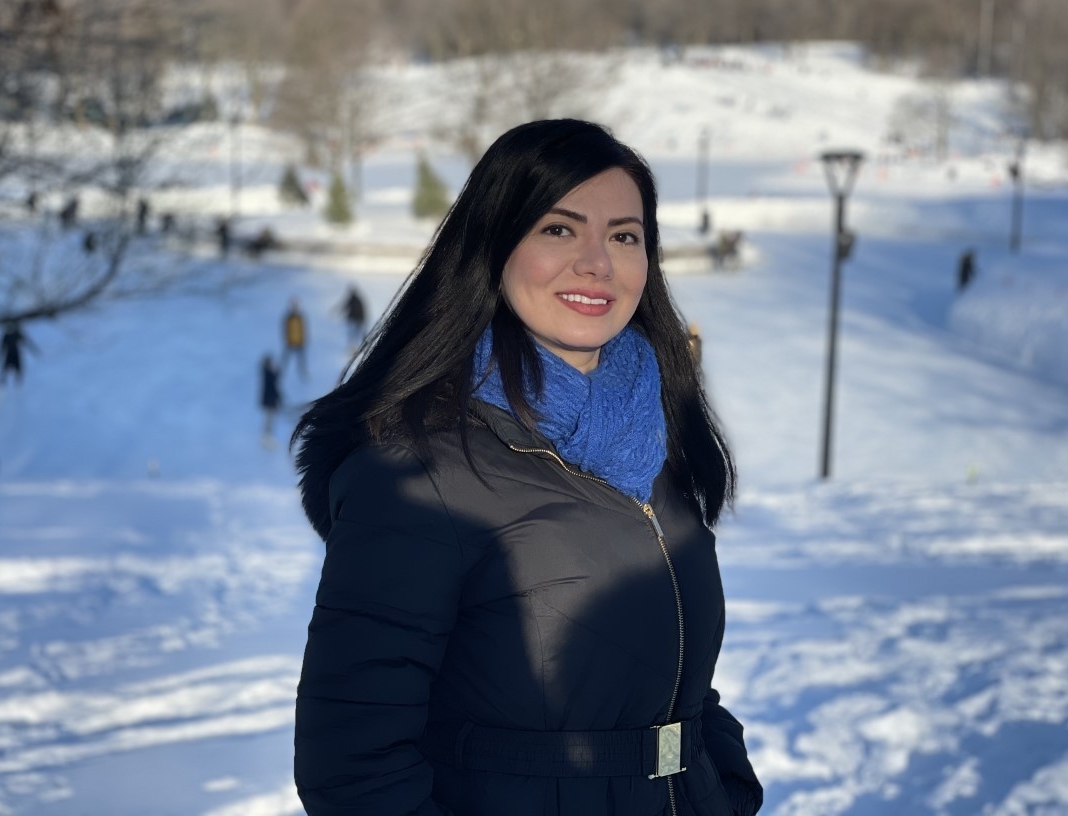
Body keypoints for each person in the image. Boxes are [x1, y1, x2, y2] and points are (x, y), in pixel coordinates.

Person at [292, 119, 762, 816]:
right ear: (494, 245)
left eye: (624, 236)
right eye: (559, 229)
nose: (597, 263)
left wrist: (721, 781)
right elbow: (354, 766)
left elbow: (667, 676)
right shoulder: (417, 473)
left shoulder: (650, 444)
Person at [0, 320, 38, 386]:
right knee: (5, 369)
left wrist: (34, 350)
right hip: (9, 353)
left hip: (16, 353)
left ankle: (18, 382)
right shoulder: (6, 335)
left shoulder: (17, 333)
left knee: (18, 369)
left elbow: (27, 341)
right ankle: (2, 382)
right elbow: (1, 346)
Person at [281, 298, 308, 381]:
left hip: (299, 342)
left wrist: (303, 340)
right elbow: (286, 330)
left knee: (301, 360)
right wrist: (288, 340)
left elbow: (302, 329)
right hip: (290, 342)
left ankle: (302, 374)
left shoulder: (300, 317)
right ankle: (282, 374)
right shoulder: (289, 318)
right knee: (286, 359)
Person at [260, 353, 282, 448]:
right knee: (269, 420)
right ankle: (267, 438)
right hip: (270, 400)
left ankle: (268, 437)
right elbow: (272, 386)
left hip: (271, 400)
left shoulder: (267, 373)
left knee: (270, 419)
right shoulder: (267, 374)